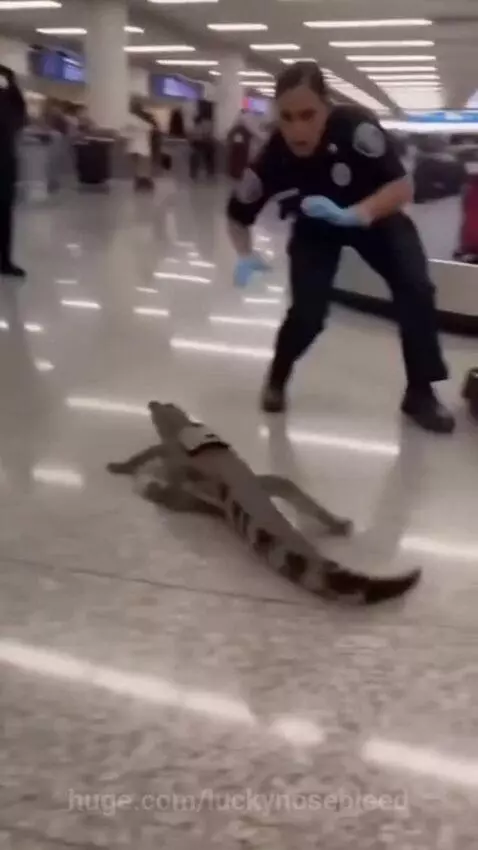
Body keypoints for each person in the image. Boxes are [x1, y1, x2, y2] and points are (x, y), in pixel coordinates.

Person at [227, 62, 455, 434]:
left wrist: (357, 214)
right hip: (316, 228)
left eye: (307, 115)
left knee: (415, 286)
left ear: (327, 107)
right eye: (286, 117)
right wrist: (245, 254)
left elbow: (401, 188)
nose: (297, 129)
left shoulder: (357, 129)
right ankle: (277, 375)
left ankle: (420, 391)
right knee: (308, 313)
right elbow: (238, 215)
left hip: (374, 213)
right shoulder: (273, 157)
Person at [0, 64, 26, 278]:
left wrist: (10, 78)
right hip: (5, 162)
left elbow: (21, 114)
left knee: (5, 215)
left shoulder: (7, 99)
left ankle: (5, 261)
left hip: (5, 163)